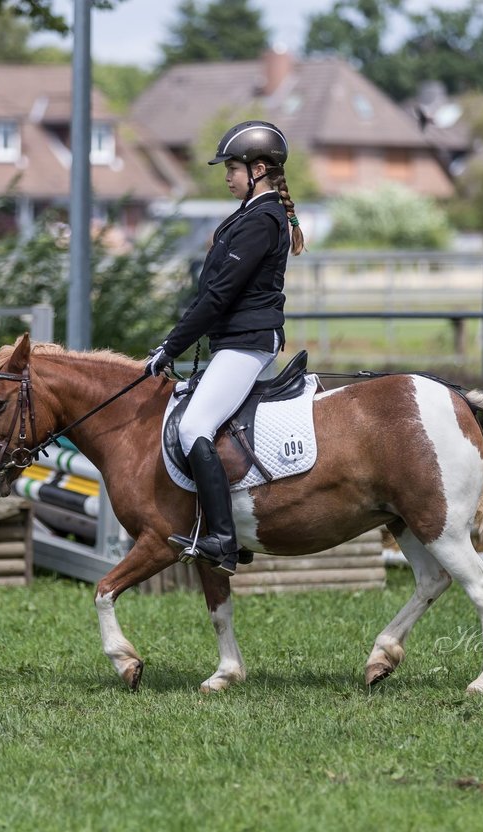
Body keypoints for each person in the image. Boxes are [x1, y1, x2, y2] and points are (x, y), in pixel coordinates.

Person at [142, 119, 306, 575]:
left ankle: (221, 539)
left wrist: (169, 348)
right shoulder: (250, 215)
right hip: (235, 341)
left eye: (232, 168)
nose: (227, 176)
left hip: (249, 342)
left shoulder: (262, 219)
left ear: (257, 169)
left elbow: (217, 297)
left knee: (194, 425)